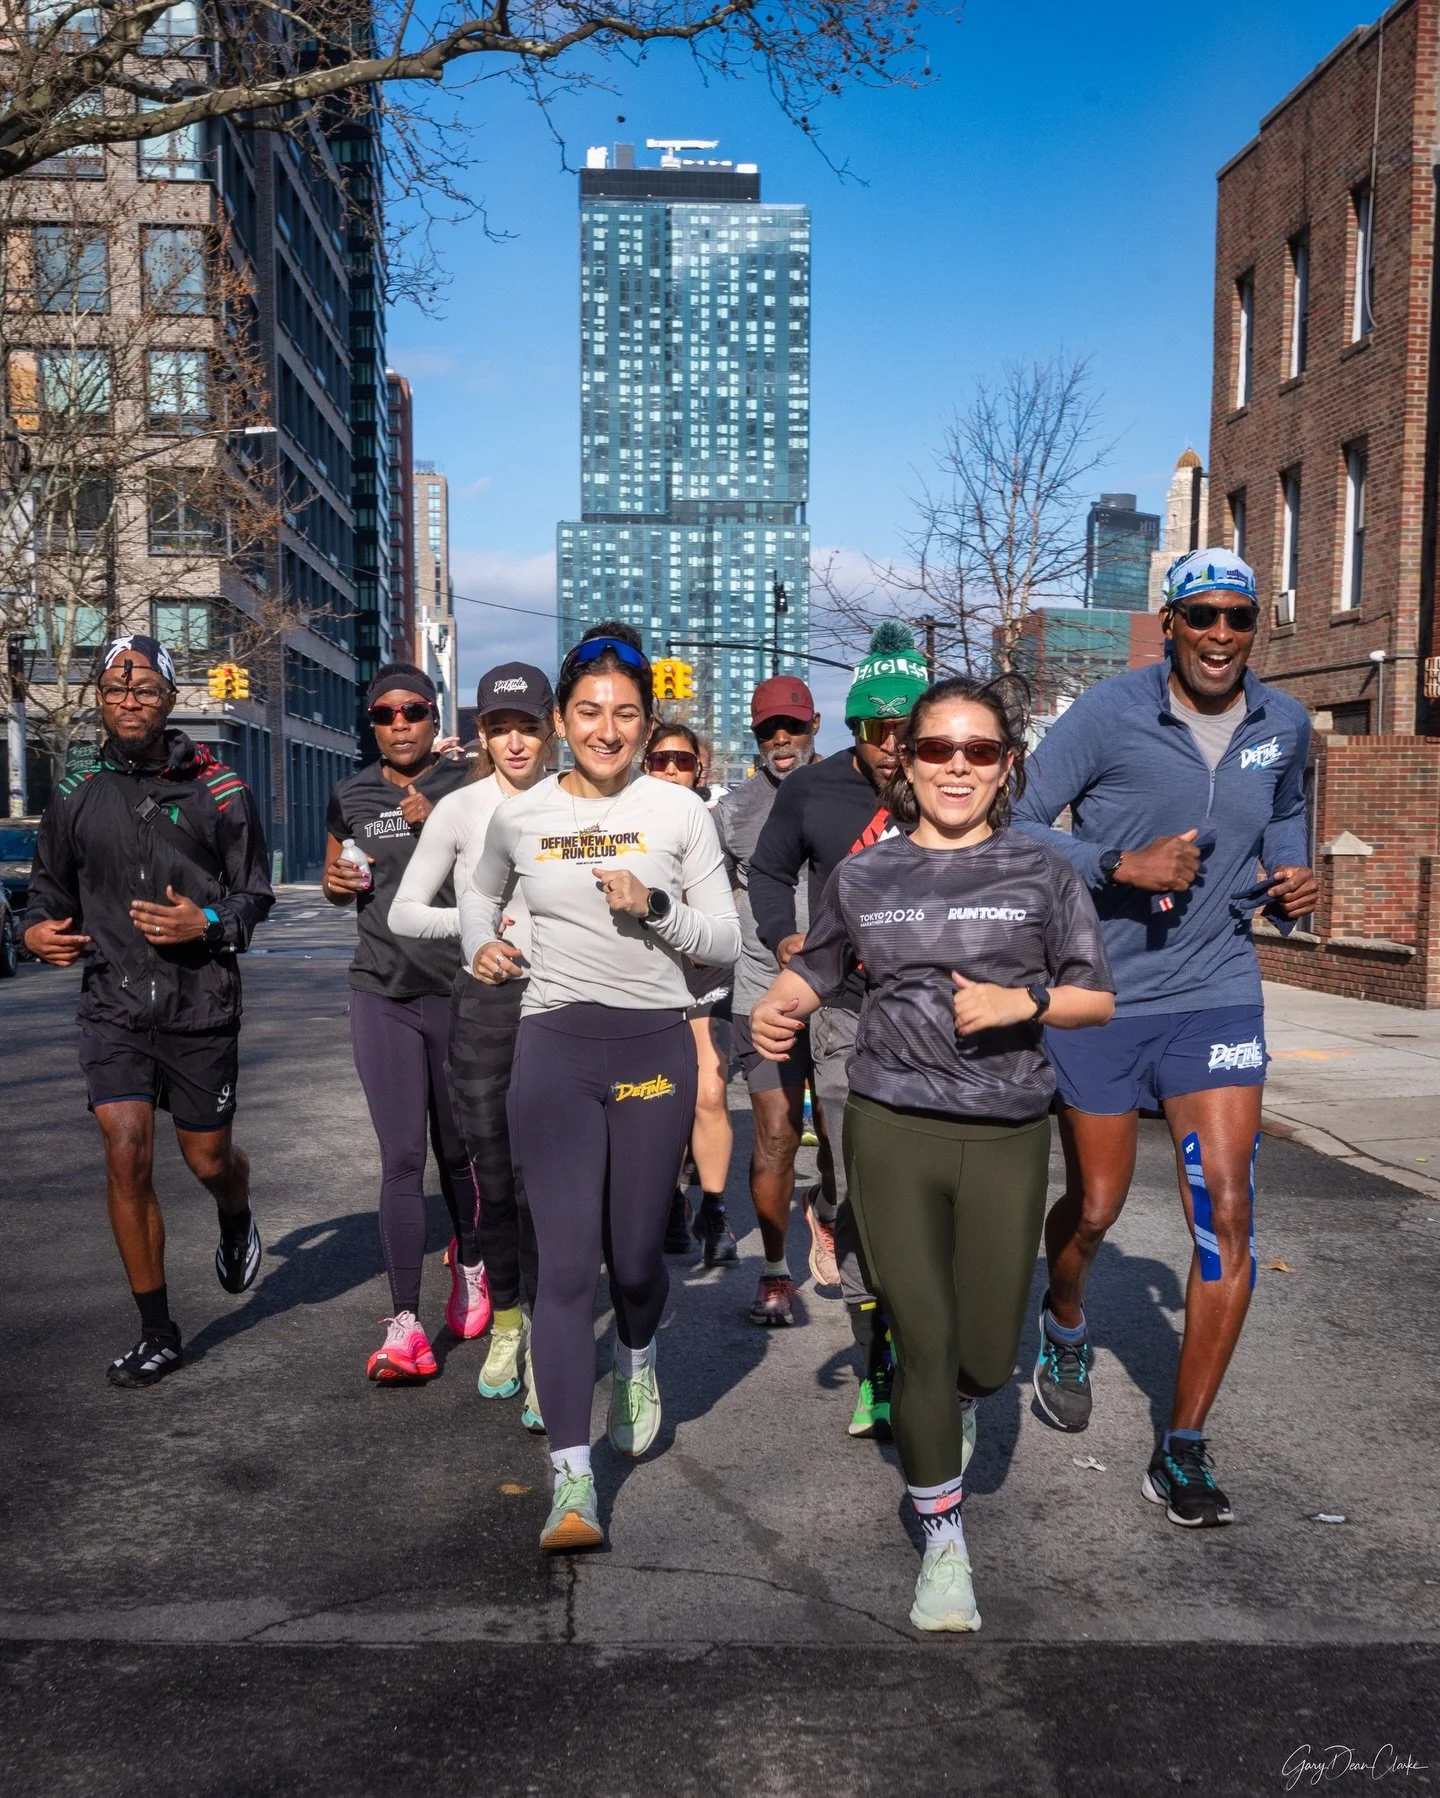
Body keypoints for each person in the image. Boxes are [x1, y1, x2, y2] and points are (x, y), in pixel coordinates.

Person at [751, 675, 1114, 1631]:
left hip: (1005, 1131)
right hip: (891, 1122)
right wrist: (778, 1005)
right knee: (923, 1337)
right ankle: (943, 1544)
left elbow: (1095, 997)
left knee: (987, 1357)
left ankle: (954, 1402)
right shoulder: (864, 876)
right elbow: (818, 968)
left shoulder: (1044, 874)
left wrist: (1021, 1003)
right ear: (906, 763)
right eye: (937, 749)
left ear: (1007, 770)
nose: (958, 766)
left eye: (980, 751)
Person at [1012, 548, 1318, 1528]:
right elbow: (1016, 825)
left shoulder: (1286, 725)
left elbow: (1286, 823)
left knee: (1228, 1217)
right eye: (1204, 617)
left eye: (1240, 617)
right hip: (1102, 998)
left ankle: (1182, 1447)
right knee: (1096, 1206)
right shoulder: (1108, 712)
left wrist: (1294, 885)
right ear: (1173, 622)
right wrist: (1114, 863)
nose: (1222, 635)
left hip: (1220, 996)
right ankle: (1064, 1315)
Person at [463, 621, 740, 1553]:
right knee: (567, 1264)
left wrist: (654, 907)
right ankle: (572, 1485)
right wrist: (484, 944)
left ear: (646, 719)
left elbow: (727, 944)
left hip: (654, 1048)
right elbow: (475, 894)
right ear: (560, 718)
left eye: (625, 713)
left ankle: (640, 1352)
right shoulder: (520, 814)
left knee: (632, 1263)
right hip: (553, 1046)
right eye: (589, 711)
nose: (608, 729)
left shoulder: (680, 812)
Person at [22, 634, 274, 1386]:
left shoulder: (220, 790)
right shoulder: (73, 791)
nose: (128, 701)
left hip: (200, 1004)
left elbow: (253, 894)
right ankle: (157, 1329)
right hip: (113, 1004)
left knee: (206, 1159)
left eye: (144, 691)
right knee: (125, 1146)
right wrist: (33, 929)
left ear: (170, 701)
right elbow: (47, 891)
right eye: (114, 691)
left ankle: (235, 1210)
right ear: (100, 701)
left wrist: (210, 924)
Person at [750, 623, 930, 1434]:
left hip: (934, 1012)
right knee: (859, 1186)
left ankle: (927, 1337)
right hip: (846, 1008)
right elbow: (769, 869)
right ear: (852, 728)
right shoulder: (812, 789)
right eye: (875, 730)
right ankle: (876, 1360)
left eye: (906, 728)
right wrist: (783, 938)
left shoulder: (953, 780)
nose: (893, 748)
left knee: (924, 1193)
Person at [390, 663, 552, 1417]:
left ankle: (552, 1342)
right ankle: (509, 1323)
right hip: (485, 1006)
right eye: (499, 727)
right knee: (493, 1176)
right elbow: (403, 913)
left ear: (551, 726)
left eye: (527, 725)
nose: (514, 741)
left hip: (563, 1007)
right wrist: (481, 928)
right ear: (481, 733)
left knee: (552, 1181)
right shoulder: (459, 810)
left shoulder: (578, 805)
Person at [323, 663, 473, 1382]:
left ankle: (471, 1259)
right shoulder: (350, 793)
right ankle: (406, 1324)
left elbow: (496, 884)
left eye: (413, 709)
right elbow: (338, 877)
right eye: (385, 714)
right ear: (372, 724)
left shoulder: (467, 789)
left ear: (434, 715)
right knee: (402, 1158)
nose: (400, 723)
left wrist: (440, 827)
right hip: (380, 990)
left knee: (461, 1150)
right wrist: (332, 883)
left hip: (457, 991)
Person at [712, 675, 838, 1329]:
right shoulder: (732, 812)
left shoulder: (851, 790)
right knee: (776, 1135)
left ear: (815, 723)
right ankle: (774, 1274)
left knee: (849, 1143)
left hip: (846, 994)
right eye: (767, 730)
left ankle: (827, 1211)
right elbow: (700, 889)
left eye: (792, 726)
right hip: (764, 994)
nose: (781, 740)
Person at [643, 719, 738, 1268]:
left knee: (707, 1091)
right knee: (660, 1097)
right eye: (661, 761)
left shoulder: (715, 823)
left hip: (701, 977)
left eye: (682, 760)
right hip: (646, 978)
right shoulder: (630, 818)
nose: (672, 769)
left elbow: (739, 893)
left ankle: (715, 1209)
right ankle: (671, 1200)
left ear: (700, 767)